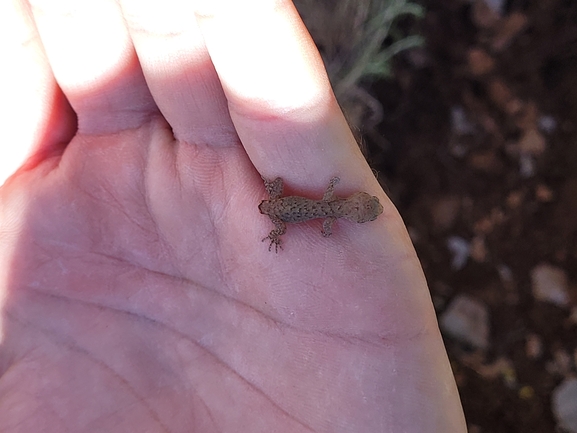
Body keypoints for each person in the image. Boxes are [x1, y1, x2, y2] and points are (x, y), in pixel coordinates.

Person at [0, 0, 467, 431]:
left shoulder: (322, 209)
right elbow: (316, 214)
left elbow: (310, 208)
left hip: (284, 209)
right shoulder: (326, 215)